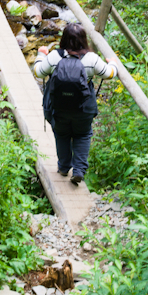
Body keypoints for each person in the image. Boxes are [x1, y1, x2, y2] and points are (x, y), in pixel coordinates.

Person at [33, 23, 117, 185]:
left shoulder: (54, 57)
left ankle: (64, 167)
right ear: (84, 40)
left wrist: (40, 55)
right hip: (83, 108)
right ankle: (78, 170)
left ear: (63, 39)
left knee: (62, 134)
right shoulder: (91, 59)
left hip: (59, 107)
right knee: (83, 135)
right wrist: (113, 62)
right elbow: (109, 74)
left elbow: (38, 72)